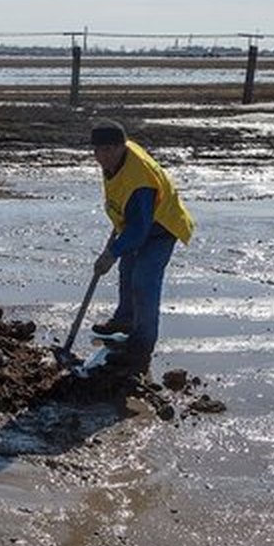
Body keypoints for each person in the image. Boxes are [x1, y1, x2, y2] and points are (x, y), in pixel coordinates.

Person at [88, 119, 195, 376]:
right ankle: (125, 319)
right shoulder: (117, 162)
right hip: (139, 221)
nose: (99, 157)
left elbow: (140, 229)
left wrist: (111, 253)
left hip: (162, 227)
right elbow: (129, 213)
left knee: (143, 280)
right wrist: (118, 248)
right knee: (127, 272)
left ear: (118, 148)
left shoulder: (140, 180)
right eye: (96, 151)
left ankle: (141, 346)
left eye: (105, 151)